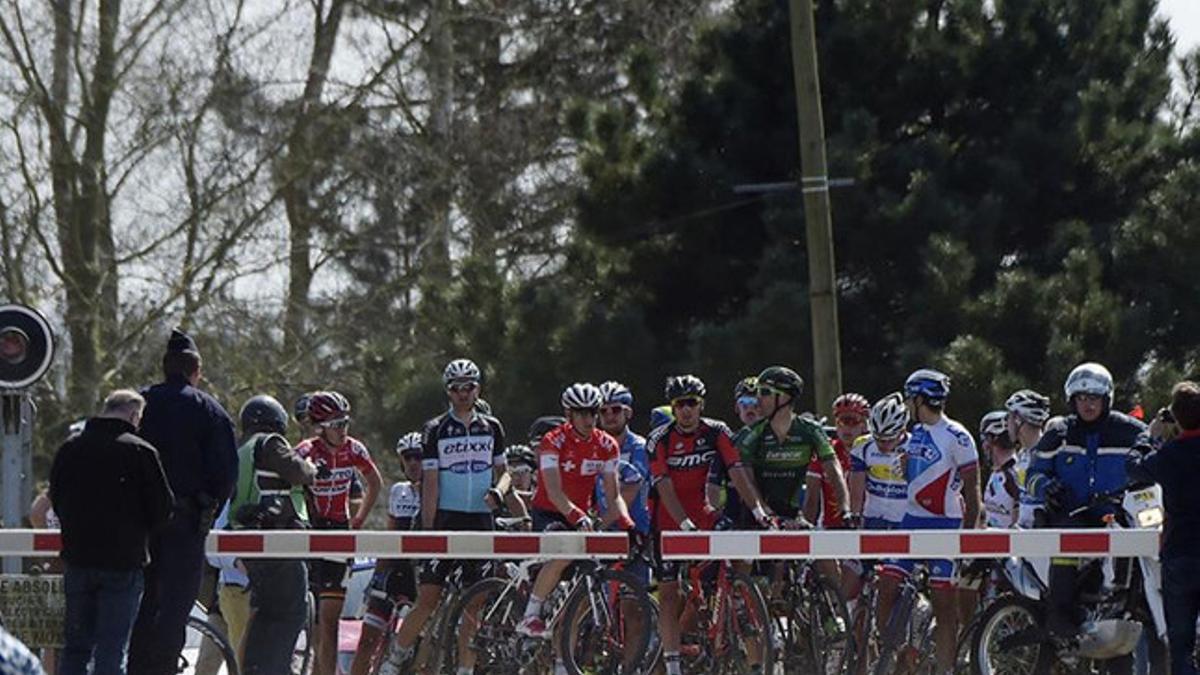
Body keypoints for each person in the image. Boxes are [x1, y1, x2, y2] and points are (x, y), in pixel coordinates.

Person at [389, 358, 509, 673]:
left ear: (477, 388)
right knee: (428, 598)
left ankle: (465, 669)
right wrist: (428, 530)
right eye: (456, 389)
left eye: (468, 387)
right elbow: (431, 483)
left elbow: (504, 471)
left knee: (475, 603)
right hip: (445, 520)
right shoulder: (435, 429)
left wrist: (499, 491)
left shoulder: (492, 427)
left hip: (481, 522)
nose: (463, 393)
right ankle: (394, 659)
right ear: (448, 392)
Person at [129, 329, 237, 675]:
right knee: (175, 610)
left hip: (138, 525)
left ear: (164, 367)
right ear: (196, 370)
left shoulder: (138, 405)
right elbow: (226, 475)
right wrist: (209, 509)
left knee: (138, 606)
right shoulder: (210, 411)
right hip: (186, 524)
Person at [1026, 362, 1149, 651]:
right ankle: (1059, 614)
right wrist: (1046, 486)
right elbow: (1032, 475)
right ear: (1072, 400)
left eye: (1094, 398)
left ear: (1106, 399)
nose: (1088, 404)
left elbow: (1154, 454)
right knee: (1069, 535)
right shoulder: (1059, 432)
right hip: (1073, 512)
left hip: (1120, 510)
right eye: (1081, 398)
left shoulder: (1130, 431)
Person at [51, 389, 174, 675]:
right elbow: (162, 509)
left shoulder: (70, 449)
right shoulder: (141, 452)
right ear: (133, 415)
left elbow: (56, 498)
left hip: (78, 560)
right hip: (123, 562)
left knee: (75, 648)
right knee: (112, 648)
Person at [647, 375, 759, 675]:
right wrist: (683, 522)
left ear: (701, 405)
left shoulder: (717, 431)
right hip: (668, 522)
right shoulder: (660, 438)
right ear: (673, 407)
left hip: (705, 517)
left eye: (692, 404)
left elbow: (736, 472)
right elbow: (664, 486)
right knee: (669, 594)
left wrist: (759, 511)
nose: (686, 410)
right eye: (680, 404)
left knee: (721, 585)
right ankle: (672, 665)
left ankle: (737, 651)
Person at [516, 383, 639, 650]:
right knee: (566, 551)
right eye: (580, 413)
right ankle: (530, 614)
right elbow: (553, 490)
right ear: (568, 413)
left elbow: (614, 494)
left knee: (580, 589)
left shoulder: (606, 445)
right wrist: (578, 516)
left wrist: (628, 524)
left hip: (579, 516)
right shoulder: (553, 441)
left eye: (592, 413)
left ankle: (564, 661)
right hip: (550, 510)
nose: (588, 419)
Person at [878, 368, 980, 675]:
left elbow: (973, 492)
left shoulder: (958, 436)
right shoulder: (915, 432)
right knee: (886, 588)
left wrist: (968, 539)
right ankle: (902, 655)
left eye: (911, 399)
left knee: (944, 607)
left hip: (945, 525)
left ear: (921, 399)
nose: (909, 405)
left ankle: (946, 668)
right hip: (910, 520)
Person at [228, 395, 317, 674]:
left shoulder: (241, 449)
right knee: (291, 613)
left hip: (248, 541)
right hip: (278, 539)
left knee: (265, 614)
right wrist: (311, 467)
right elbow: (297, 471)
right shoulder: (270, 443)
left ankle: (255, 669)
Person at [294, 390, 382, 675]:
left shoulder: (354, 449)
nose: (343, 430)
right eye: (336, 425)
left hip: (339, 534)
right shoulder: (307, 449)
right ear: (320, 427)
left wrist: (358, 520)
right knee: (315, 622)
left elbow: (375, 483)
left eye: (346, 423)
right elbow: (288, 475)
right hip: (311, 533)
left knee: (330, 622)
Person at [1127, 381, 1200, 675]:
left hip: (1181, 554)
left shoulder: (1170, 455)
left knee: (1181, 647)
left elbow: (1134, 467)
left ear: (1177, 418)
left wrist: (1149, 435)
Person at [738, 366, 850, 529]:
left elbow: (834, 469)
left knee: (822, 553)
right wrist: (767, 515)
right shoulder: (751, 433)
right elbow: (747, 481)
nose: (758, 399)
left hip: (791, 515)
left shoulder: (810, 430)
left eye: (765, 392)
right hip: (754, 515)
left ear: (784, 398)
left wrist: (845, 509)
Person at [350, 432, 424, 675]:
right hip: (394, 573)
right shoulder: (398, 491)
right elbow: (390, 536)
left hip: (421, 579)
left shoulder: (439, 492)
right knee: (367, 642)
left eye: (418, 457)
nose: (413, 462)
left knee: (418, 651)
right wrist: (377, 577)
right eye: (407, 457)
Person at [806, 393, 869, 528]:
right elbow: (811, 498)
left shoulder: (872, 451)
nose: (847, 427)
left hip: (865, 528)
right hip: (830, 529)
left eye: (853, 421)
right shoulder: (825, 451)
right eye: (842, 421)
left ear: (864, 425)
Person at [706, 376, 760, 525]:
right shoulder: (728, 442)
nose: (750, 408)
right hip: (735, 520)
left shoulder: (778, 439)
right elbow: (713, 485)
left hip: (771, 518)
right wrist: (716, 516)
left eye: (756, 403)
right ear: (737, 407)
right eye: (744, 403)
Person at [1004, 389, 1052, 528]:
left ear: (1019, 419)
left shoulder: (1048, 453)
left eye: (1009, 417)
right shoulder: (1022, 454)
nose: (1007, 423)